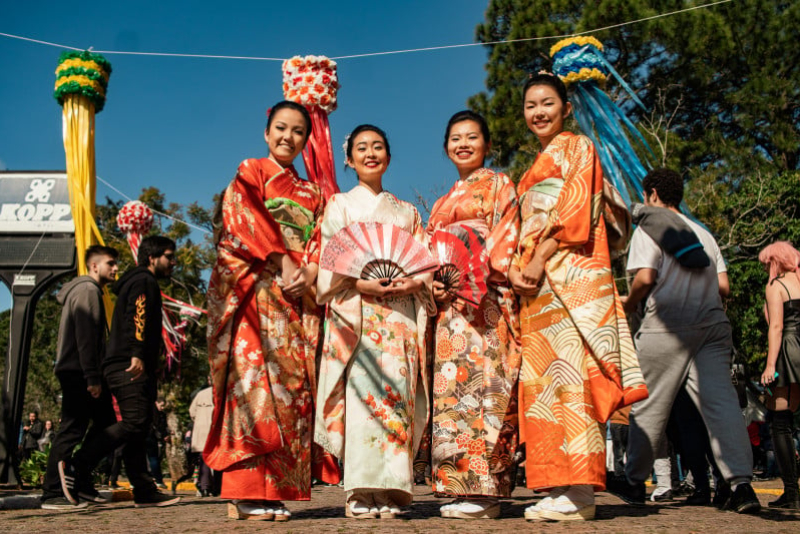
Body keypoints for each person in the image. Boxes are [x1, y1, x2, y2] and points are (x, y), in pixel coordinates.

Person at [509, 73, 647, 522]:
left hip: (564, 275)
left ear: (566, 108)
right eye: (531, 105)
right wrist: (516, 266)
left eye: (547, 103)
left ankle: (582, 491)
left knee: (572, 380)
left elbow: (577, 210)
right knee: (546, 387)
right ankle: (558, 485)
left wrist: (538, 257)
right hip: (538, 289)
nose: (538, 112)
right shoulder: (531, 168)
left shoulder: (578, 147)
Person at [205, 101, 332, 522]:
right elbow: (243, 219)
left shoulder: (313, 192)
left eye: (298, 131)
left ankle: (275, 489)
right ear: (266, 131)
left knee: (290, 394)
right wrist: (282, 259)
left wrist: (310, 268)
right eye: (281, 128)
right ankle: (244, 491)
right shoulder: (251, 170)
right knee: (253, 386)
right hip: (256, 292)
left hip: (295, 298)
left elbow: (320, 238)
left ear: (306, 139)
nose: (287, 137)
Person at [608, 168, 760, 514]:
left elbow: (645, 278)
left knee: (650, 406)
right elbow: (725, 288)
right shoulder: (703, 234)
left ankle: (634, 482)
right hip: (712, 325)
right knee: (722, 407)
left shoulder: (651, 224)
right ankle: (741, 485)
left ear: (652, 195)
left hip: (668, 324)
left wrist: (628, 305)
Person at [315, 124, 435, 519]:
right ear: (349, 159)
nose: (371, 153)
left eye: (378, 146)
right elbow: (331, 260)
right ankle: (361, 491)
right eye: (361, 148)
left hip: (399, 316)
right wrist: (360, 280)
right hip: (360, 315)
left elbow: (425, 265)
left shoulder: (406, 212)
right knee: (363, 403)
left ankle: (394, 492)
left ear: (388, 155)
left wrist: (412, 279)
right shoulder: (340, 206)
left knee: (396, 402)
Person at [426, 110, 521, 519]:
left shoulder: (500, 185)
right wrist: (434, 282)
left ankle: (487, 493)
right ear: (446, 146)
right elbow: (430, 256)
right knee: (453, 396)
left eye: (471, 137)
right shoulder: (442, 202)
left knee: (487, 391)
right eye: (455, 138)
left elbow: (506, 238)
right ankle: (461, 487)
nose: (463, 144)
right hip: (450, 311)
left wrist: (481, 273)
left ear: (486, 144)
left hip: (485, 304)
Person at [59, 235, 181, 508]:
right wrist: (137, 352)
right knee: (136, 422)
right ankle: (79, 464)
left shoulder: (137, 281)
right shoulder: (142, 281)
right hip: (128, 363)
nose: (173, 262)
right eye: (169, 256)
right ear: (152, 257)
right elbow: (137, 316)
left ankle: (144, 491)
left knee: (138, 431)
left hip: (131, 363)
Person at [40, 245, 119, 510]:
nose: (116, 268)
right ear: (94, 266)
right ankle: (52, 493)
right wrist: (92, 376)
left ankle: (81, 479)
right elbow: (86, 338)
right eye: (111, 263)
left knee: (108, 424)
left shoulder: (90, 291)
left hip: (81, 369)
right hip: (79, 371)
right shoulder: (87, 291)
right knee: (72, 429)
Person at [758, 241, 800, 509]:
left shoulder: (777, 286)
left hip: (789, 351)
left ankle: (792, 493)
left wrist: (770, 365)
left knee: (779, 422)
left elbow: (776, 327)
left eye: (766, 263)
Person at [189, 378, 217, 497]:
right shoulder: (221, 393)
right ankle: (218, 486)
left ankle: (205, 486)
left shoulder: (200, 394)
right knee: (219, 457)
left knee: (204, 458)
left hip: (201, 429)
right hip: (216, 428)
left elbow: (192, 412)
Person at [146, 397, 168, 489]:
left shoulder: (161, 415)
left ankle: (156, 479)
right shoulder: (153, 414)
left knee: (154, 459)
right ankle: (157, 479)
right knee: (153, 458)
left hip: (154, 437)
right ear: (156, 403)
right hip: (150, 437)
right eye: (161, 405)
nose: (162, 408)